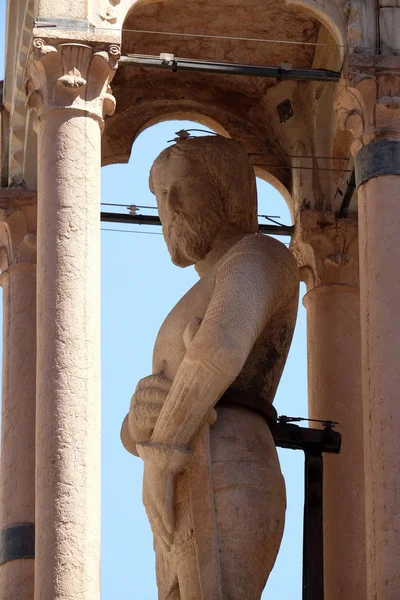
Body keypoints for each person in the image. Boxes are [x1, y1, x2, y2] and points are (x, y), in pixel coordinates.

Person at [121, 134, 299, 599]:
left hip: (229, 465)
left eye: (182, 188)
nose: (169, 206)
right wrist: (139, 421)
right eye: (159, 196)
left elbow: (218, 348)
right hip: (177, 483)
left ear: (225, 190)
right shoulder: (203, 286)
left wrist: (161, 452)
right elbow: (137, 426)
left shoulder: (258, 254)